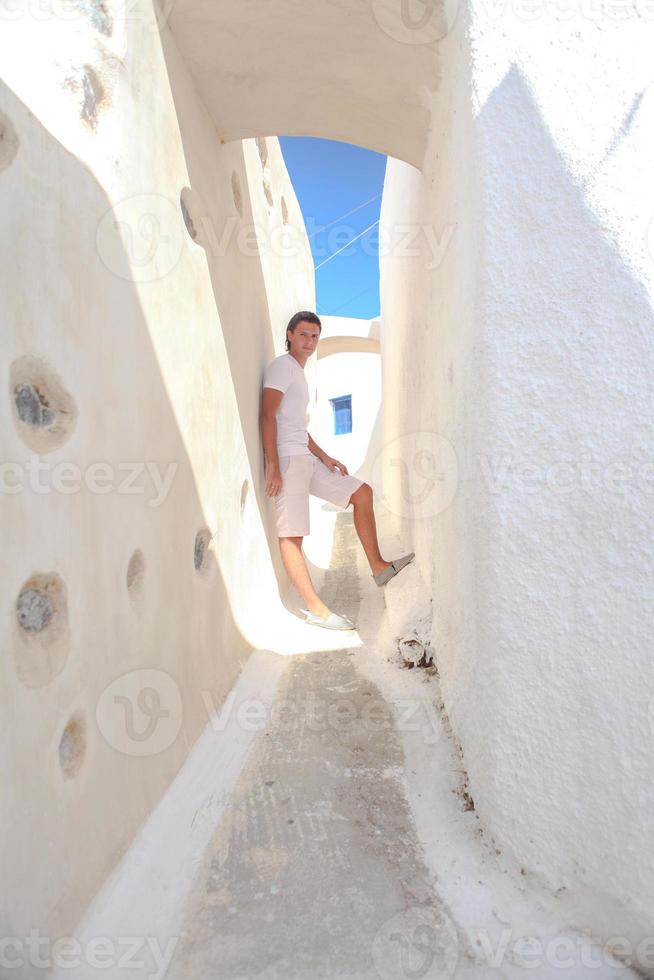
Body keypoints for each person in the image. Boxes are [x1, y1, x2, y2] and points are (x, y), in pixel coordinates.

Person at [260, 310, 414, 631]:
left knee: (361, 493)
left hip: (304, 456)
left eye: (315, 336)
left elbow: (297, 427)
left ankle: (379, 568)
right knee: (291, 536)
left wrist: (325, 456)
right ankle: (317, 609)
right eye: (303, 334)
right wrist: (273, 465)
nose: (310, 341)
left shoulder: (298, 374)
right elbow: (267, 415)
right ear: (289, 335)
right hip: (288, 460)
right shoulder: (281, 366)